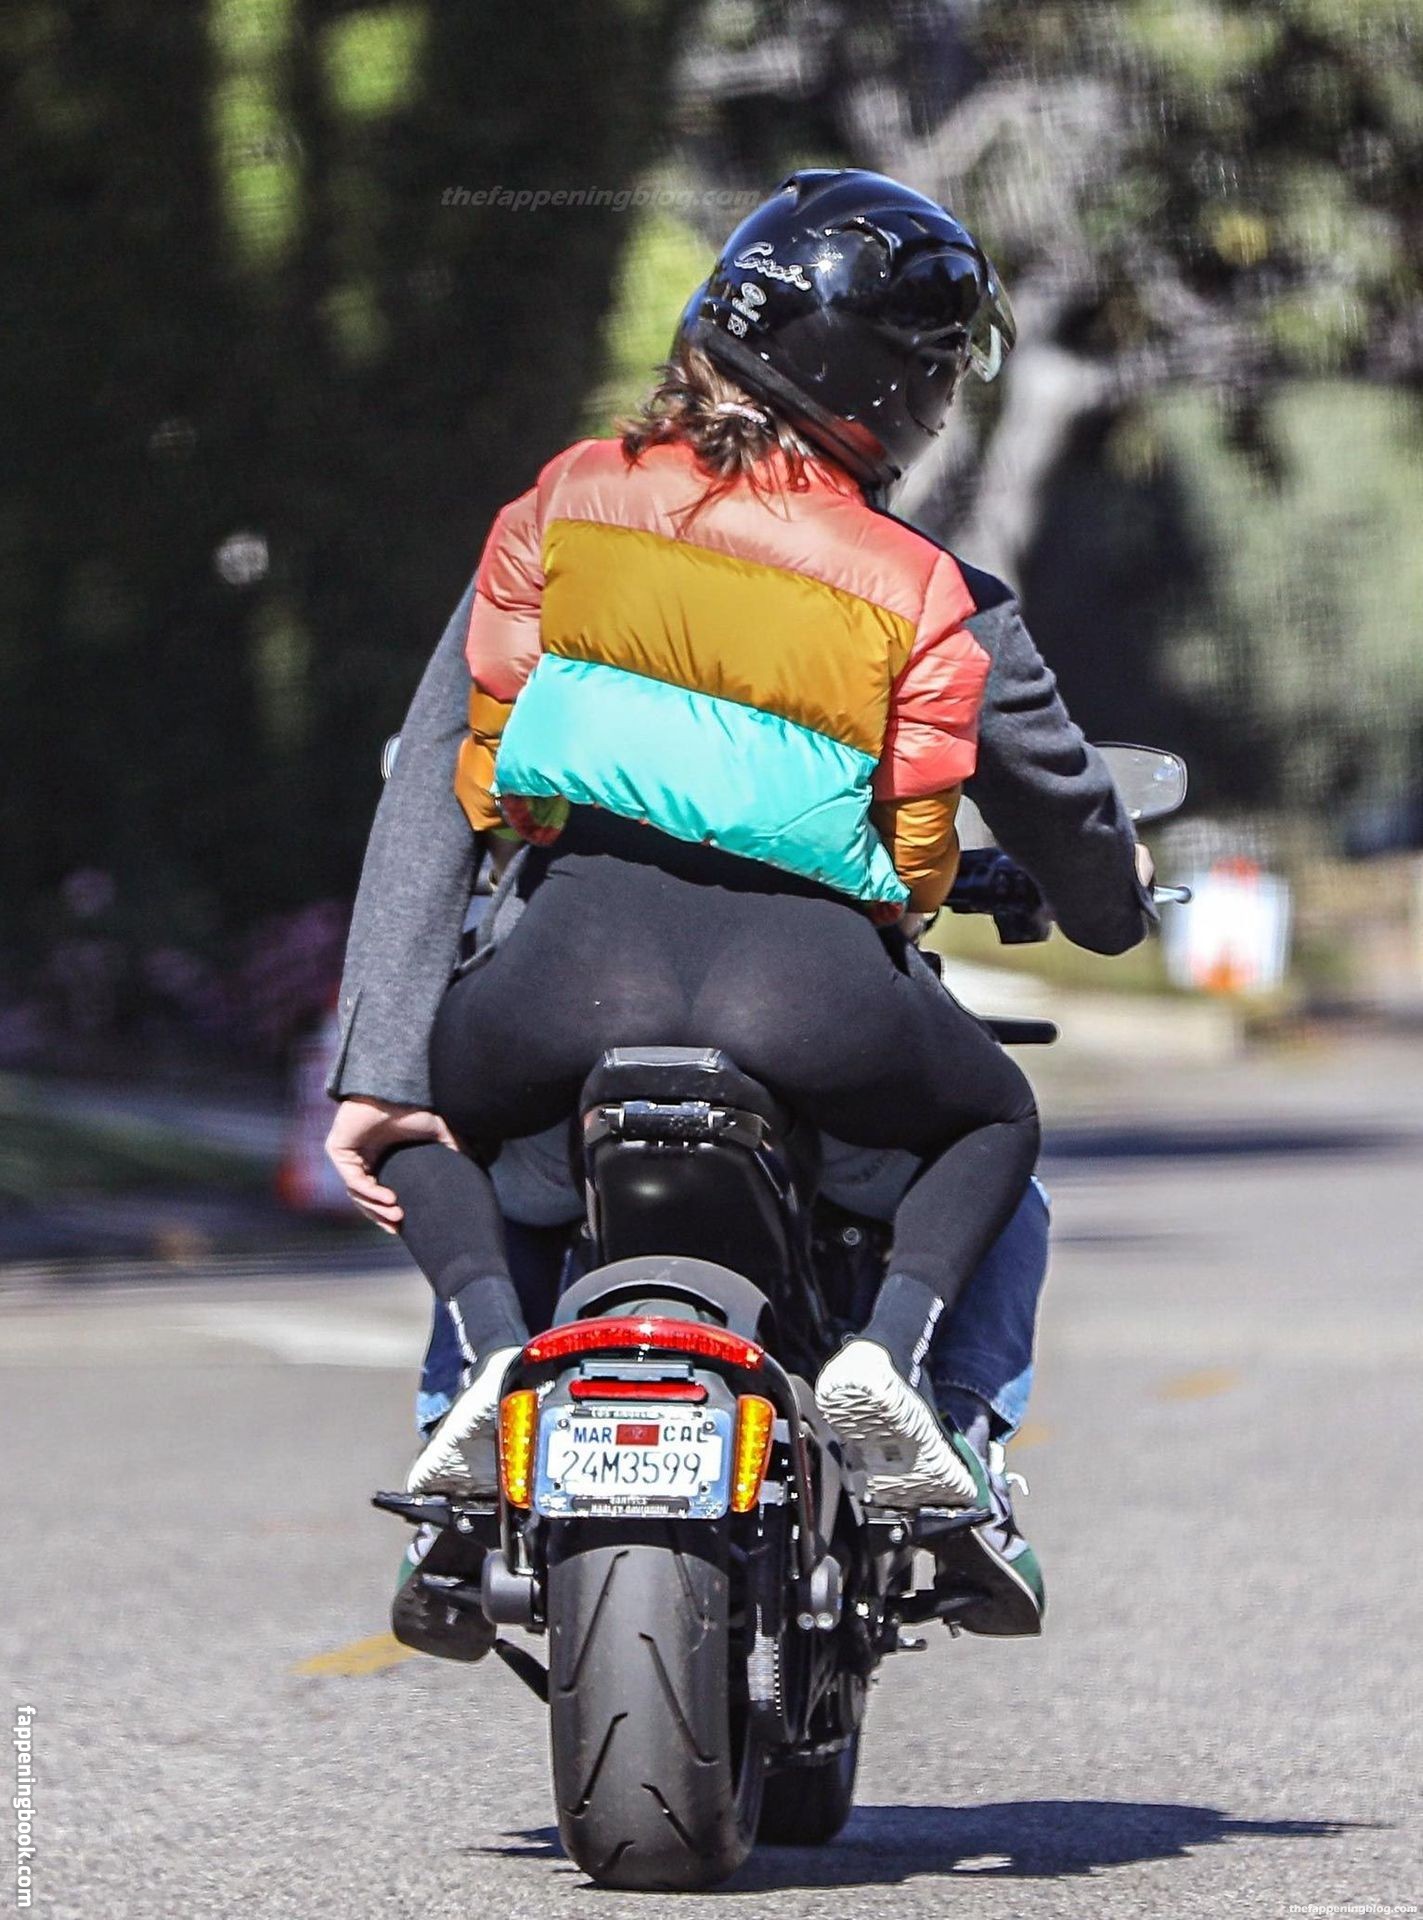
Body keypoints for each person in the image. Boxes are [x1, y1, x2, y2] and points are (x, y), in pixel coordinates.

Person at [326, 170, 1156, 1643]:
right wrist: (1116, 899)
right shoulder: (939, 594)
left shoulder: (561, 513)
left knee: (428, 1125)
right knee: (997, 1127)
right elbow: (1076, 839)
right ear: (907, 393)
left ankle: (485, 1370)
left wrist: (377, 1068)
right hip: (818, 1006)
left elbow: (429, 798)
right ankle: (913, 1394)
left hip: (557, 988)